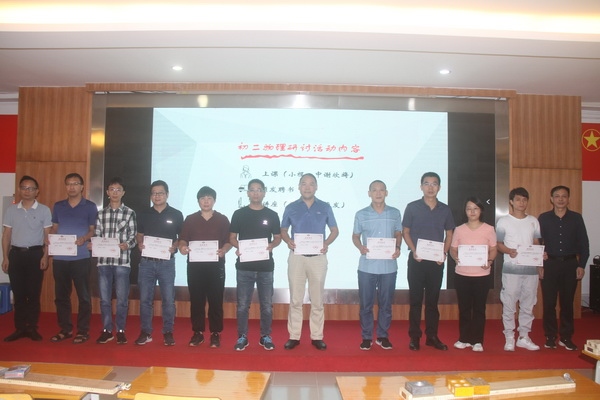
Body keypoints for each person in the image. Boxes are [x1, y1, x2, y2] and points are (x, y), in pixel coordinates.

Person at [280, 173, 339, 351]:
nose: (307, 187)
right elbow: (283, 230)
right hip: (297, 257)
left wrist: (326, 243)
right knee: (295, 299)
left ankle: (317, 336)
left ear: (316, 187)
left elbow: (335, 230)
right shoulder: (291, 207)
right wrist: (288, 240)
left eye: (311, 184)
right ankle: (294, 336)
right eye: (304, 184)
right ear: (299, 187)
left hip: (318, 258)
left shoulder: (325, 207)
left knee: (317, 300)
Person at [402, 172, 455, 351]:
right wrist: (414, 250)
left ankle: (432, 336)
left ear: (439, 187)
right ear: (421, 186)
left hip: (436, 262)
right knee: (415, 301)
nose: (430, 187)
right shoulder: (412, 207)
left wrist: (444, 253)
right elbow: (405, 231)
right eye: (427, 184)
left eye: (434, 184)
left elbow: (449, 233)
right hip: (417, 260)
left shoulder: (445, 209)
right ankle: (414, 337)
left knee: (432, 301)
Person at [229, 179, 282, 351]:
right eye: (252, 190)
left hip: (265, 267)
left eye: (259, 190)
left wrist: (271, 245)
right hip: (244, 267)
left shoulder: (272, 215)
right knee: (243, 305)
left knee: (266, 305)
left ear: (264, 192)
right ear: (247, 193)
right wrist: (239, 247)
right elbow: (232, 238)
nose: (256, 193)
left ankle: (265, 336)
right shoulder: (239, 214)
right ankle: (242, 337)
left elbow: (278, 238)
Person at [352, 180, 402, 351]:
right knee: (366, 304)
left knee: (386, 304)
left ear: (386, 192)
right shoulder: (361, 214)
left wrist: (397, 247)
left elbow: (398, 233)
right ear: (369, 193)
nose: (378, 193)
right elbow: (355, 236)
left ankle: (382, 336)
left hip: (389, 266)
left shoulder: (395, 213)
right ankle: (366, 337)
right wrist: (360, 247)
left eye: (381, 190)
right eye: (374, 190)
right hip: (367, 266)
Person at [179, 186, 232, 348]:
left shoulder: (222, 219)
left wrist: (224, 250)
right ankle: (198, 332)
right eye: (203, 198)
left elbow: (229, 241)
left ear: (214, 201)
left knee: (216, 300)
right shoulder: (190, 219)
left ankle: (215, 333)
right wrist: (182, 248)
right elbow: (183, 239)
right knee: (197, 300)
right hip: (195, 267)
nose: (206, 201)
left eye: (209, 198)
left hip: (216, 266)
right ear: (198, 201)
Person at [538, 185, 589, 351]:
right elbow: (537, 242)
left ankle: (566, 337)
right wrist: (539, 263)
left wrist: (581, 265)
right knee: (549, 303)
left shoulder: (576, 218)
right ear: (551, 199)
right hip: (550, 265)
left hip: (570, 265)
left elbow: (584, 244)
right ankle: (550, 336)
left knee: (567, 303)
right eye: (557, 196)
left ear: (568, 199)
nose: (560, 199)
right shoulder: (543, 218)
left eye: (564, 196)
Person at [2, 175, 52, 342]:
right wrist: (5, 257)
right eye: (24, 188)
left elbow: (48, 236)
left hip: (35, 255)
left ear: (37, 191)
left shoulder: (44, 210)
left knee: (33, 293)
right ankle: (20, 328)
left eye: (31, 188)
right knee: (19, 293)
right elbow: (6, 235)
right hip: (15, 255)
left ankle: (31, 327)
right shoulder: (11, 210)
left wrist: (45, 255)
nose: (27, 191)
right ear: (19, 190)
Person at [49, 173, 98, 344]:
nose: (72, 187)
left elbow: (92, 230)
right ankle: (66, 329)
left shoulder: (90, 206)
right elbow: (54, 228)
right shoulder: (58, 206)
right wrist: (50, 238)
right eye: (69, 184)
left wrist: (84, 238)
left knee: (83, 296)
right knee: (61, 296)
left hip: (81, 257)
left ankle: (83, 331)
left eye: (75, 184)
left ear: (82, 187)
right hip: (60, 257)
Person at [134, 180, 184, 346]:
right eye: (154, 193)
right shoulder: (143, 214)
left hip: (166, 264)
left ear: (167, 194)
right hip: (146, 263)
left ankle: (168, 331)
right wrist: (140, 244)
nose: (157, 196)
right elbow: (139, 235)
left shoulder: (176, 214)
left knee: (168, 300)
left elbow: (181, 238)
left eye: (160, 193)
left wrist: (174, 246)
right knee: (145, 300)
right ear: (151, 196)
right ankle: (146, 332)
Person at [91, 177, 137, 345]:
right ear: (107, 192)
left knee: (122, 300)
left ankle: (121, 330)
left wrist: (127, 245)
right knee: (104, 299)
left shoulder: (130, 213)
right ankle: (107, 330)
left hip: (122, 262)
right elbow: (97, 235)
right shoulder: (101, 214)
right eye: (112, 189)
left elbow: (134, 237)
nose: (115, 192)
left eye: (118, 190)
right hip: (103, 261)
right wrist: (93, 244)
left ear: (123, 192)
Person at [496, 187, 541, 352]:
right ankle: (509, 337)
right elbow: (498, 244)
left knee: (528, 304)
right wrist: (509, 251)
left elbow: (536, 243)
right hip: (511, 269)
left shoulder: (533, 221)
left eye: (524, 200)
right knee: (509, 304)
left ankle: (524, 337)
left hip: (531, 271)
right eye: (518, 200)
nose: (521, 203)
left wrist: (540, 255)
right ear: (511, 202)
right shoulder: (503, 221)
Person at [449, 196, 497, 352]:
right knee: (464, 308)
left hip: (482, 275)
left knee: (479, 309)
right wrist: (456, 257)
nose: (472, 211)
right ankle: (464, 338)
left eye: (475, 208)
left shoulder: (489, 229)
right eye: (469, 208)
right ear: (465, 211)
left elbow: (493, 248)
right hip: (462, 274)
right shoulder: (459, 229)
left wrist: (489, 260)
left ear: (481, 210)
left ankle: (477, 340)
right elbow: (453, 249)